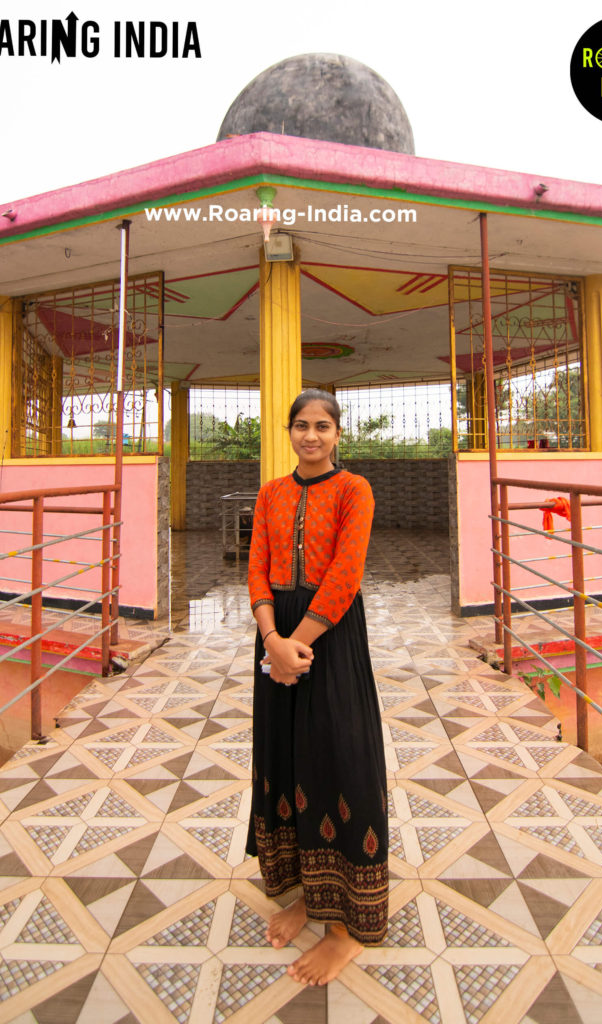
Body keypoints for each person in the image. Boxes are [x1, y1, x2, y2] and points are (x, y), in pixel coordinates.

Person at [246, 388, 388, 986]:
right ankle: (307, 894)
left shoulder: (355, 490)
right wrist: (270, 639)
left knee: (338, 761)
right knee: (288, 762)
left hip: (330, 639)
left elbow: (345, 574)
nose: (311, 435)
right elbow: (255, 566)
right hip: (275, 633)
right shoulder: (271, 492)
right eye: (301, 425)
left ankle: (344, 930)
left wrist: (293, 645)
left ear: (337, 434)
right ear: (289, 432)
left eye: (322, 426)